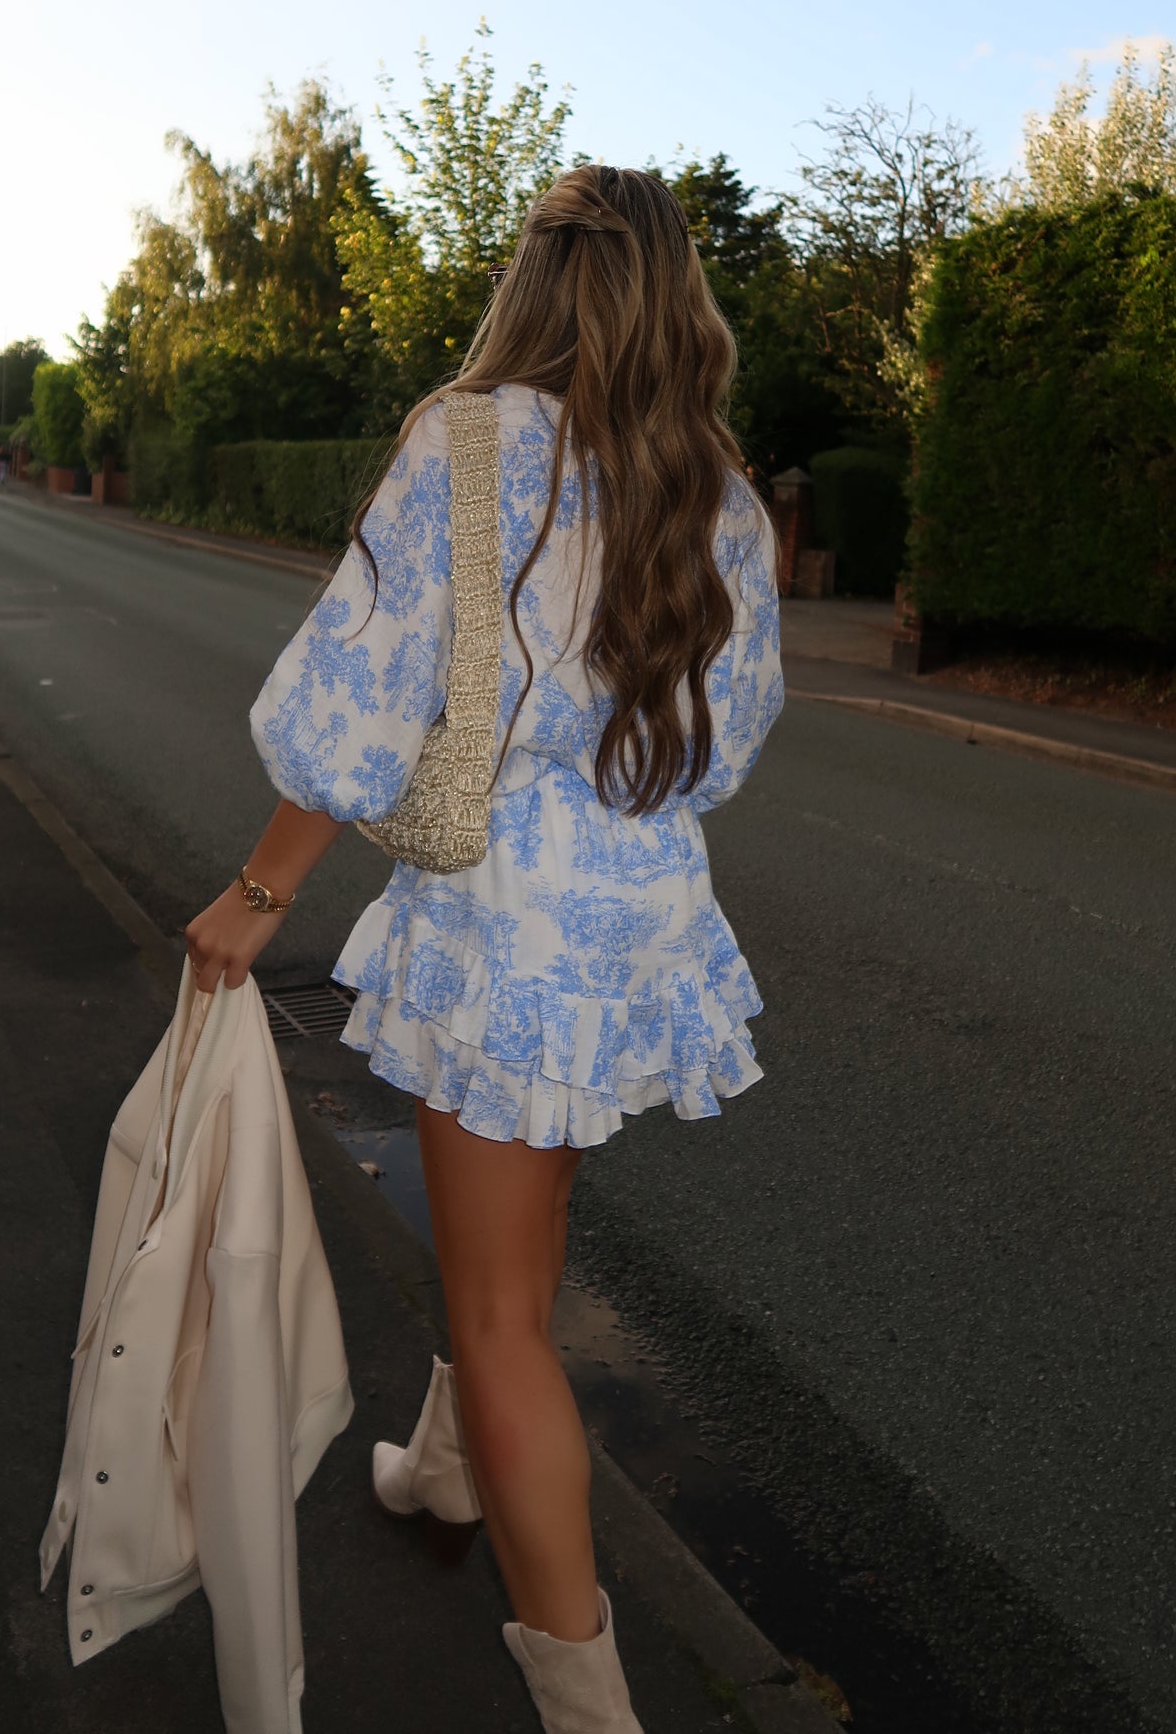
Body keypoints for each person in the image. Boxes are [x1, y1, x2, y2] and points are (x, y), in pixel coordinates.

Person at [185, 163, 784, 1733]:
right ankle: (448, 1468)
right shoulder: (717, 487)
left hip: (503, 926)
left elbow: (354, 707)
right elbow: (725, 749)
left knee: (507, 1314)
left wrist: (257, 899)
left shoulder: (466, 443)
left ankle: (586, 1699)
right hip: (636, 917)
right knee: (515, 1251)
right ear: (676, 293)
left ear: (532, 278)